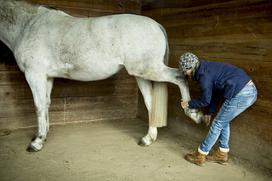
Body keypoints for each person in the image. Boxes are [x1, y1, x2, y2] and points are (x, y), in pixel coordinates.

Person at [179, 52, 257, 166]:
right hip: (246, 90)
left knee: (217, 123)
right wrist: (209, 112)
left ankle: (200, 155)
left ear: (193, 66)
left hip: (242, 93)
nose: (185, 73)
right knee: (223, 121)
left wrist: (188, 104)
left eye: (186, 70)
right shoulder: (206, 68)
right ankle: (222, 154)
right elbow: (215, 92)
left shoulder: (204, 76)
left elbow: (205, 100)